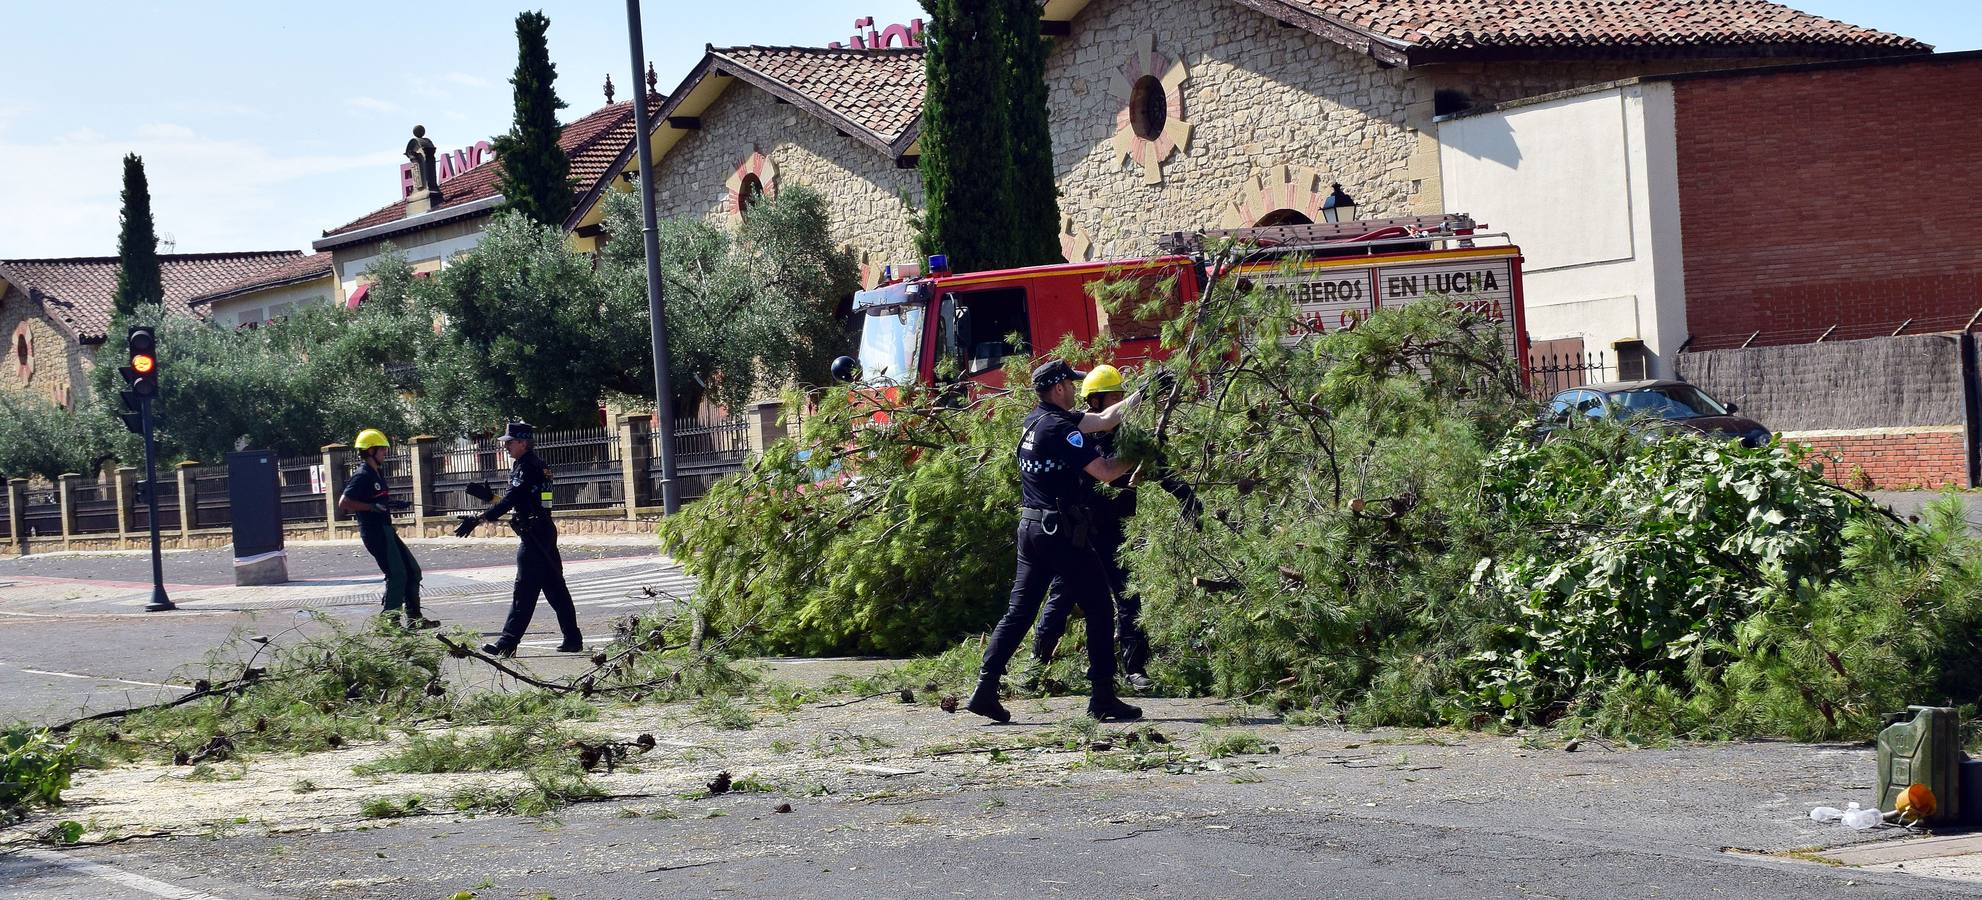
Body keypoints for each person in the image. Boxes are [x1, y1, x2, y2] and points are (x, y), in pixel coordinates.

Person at [966, 359, 1169, 724]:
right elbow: (1106, 473)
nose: (1076, 390)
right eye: (1072, 385)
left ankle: (984, 689)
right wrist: (1140, 451)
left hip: (1030, 529)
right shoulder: (1062, 430)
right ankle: (1103, 696)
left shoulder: (1036, 421)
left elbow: (1107, 420)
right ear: (1059, 388)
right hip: (1058, 533)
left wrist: (1144, 393)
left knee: (1019, 613)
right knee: (1099, 607)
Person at [1029, 365, 1200, 692]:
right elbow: (1106, 471)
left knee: (1128, 597)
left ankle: (1135, 668)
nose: (1120, 403)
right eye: (1114, 397)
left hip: (1115, 532)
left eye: (1123, 396)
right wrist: (1136, 452)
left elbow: (1163, 473)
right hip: (1080, 532)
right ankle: (1034, 667)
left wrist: (1189, 500)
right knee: (1061, 598)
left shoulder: (1130, 436)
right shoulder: (1077, 434)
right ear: (1094, 401)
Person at [456, 421, 583, 657]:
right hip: (542, 531)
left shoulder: (525, 467)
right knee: (555, 588)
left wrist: (480, 518)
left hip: (534, 536)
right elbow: (528, 500)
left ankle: (507, 643)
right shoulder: (537, 465)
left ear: (523, 443)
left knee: (524, 590)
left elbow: (513, 498)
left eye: (510, 442)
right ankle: (573, 638)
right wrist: (491, 498)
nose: (506, 447)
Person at [337, 429, 436, 629]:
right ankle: (389, 622)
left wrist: (392, 504)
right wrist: (371, 507)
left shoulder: (376, 472)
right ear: (371, 450)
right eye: (382, 449)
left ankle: (415, 619)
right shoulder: (363, 474)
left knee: (412, 571)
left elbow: (376, 499)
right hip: (375, 532)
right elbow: (344, 502)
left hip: (386, 529)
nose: (385, 453)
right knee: (397, 573)